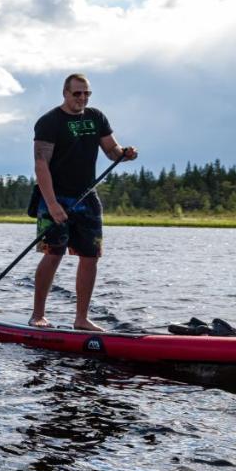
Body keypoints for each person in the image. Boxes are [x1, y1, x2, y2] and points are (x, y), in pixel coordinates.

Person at [30, 73, 137, 331]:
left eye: (86, 93)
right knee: (53, 254)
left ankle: (81, 319)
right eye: (77, 93)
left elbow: (111, 150)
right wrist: (53, 204)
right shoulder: (49, 122)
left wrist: (125, 154)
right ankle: (38, 315)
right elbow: (41, 164)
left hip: (87, 197)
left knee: (90, 256)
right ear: (65, 93)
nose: (82, 98)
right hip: (56, 197)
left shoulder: (96, 117)